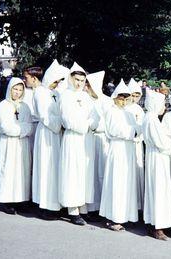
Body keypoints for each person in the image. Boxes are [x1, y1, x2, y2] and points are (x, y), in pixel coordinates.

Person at [58, 62, 97, 225]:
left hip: (86, 140)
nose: (79, 83)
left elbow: (95, 117)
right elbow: (68, 120)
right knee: (72, 173)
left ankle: (82, 207)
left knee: (84, 173)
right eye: (76, 79)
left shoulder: (87, 97)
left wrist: (90, 123)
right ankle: (72, 210)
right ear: (70, 79)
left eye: (82, 80)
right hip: (73, 139)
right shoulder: (65, 96)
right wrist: (85, 123)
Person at [99, 79, 141, 231]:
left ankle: (125, 215)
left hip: (128, 150)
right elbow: (116, 130)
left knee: (126, 183)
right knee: (116, 182)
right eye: (121, 98)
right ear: (115, 97)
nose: (123, 101)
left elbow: (137, 128)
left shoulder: (129, 113)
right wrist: (133, 130)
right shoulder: (111, 111)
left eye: (126, 98)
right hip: (117, 149)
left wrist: (135, 130)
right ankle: (112, 217)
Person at [0, 77, 33, 214]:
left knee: (22, 172)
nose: (17, 92)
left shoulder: (25, 107)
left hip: (22, 145)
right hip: (9, 144)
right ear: (10, 89)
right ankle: (8, 201)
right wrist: (22, 129)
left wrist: (19, 129)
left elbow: (30, 127)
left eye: (20, 89)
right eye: (15, 89)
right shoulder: (3, 105)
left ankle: (21, 200)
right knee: (9, 171)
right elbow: (5, 127)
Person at [32, 60, 65, 220]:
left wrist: (62, 122)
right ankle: (44, 205)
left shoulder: (56, 93)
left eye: (58, 81)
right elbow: (44, 115)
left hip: (56, 134)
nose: (56, 84)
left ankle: (55, 204)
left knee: (55, 168)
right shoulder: (40, 92)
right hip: (47, 133)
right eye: (55, 80)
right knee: (46, 168)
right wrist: (59, 124)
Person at [143, 89, 171, 241]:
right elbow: (162, 142)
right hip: (158, 157)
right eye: (162, 104)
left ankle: (154, 222)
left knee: (155, 189)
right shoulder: (153, 120)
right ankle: (158, 226)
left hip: (155, 157)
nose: (164, 107)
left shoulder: (150, 118)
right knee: (159, 190)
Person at [84, 71, 112, 216]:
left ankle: (102, 206)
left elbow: (109, 122)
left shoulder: (107, 101)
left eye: (88, 85)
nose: (86, 87)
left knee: (101, 173)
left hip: (102, 139)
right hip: (88, 139)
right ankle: (90, 207)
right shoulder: (85, 99)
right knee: (90, 173)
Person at [126, 78, 146, 211]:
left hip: (138, 144)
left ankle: (138, 204)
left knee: (137, 172)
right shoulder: (125, 108)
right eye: (132, 95)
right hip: (128, 143)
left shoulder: (139, 109)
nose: (135, 98)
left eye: (137, 95)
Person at [22, 66, 43, 151]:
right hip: (29, 124)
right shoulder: (25, 92)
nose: (24, 80)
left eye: (26, 77)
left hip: (40, 126)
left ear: (34, 78)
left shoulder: (44, 92)